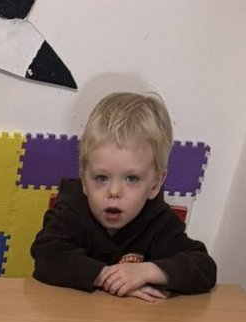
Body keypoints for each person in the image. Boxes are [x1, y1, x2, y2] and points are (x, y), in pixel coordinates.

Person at [31, 91, 217, 298]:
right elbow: (46, 255)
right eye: (101, 178)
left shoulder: (158, 221)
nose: (114, 192)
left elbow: (204, 267)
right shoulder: (72, 209)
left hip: (131, 317)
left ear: (155, 184)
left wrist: (147, 272)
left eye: (132, 179)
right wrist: (107, 277)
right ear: (84, 180)